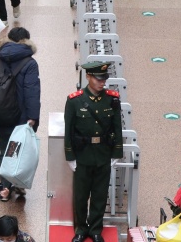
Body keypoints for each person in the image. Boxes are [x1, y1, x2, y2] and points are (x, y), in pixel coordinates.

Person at [64, 62, 123, 242]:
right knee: (81, 196)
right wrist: (70, 156)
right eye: (98, 78)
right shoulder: (75, 101)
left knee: (99, 194)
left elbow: (117, 128)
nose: (102, 82)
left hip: (103, 154)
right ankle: (81, 229)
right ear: (88, 76)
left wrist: (116, 153)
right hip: (83, 155)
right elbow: (69, 130)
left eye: (104, 78)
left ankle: (96, 229)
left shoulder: (112, 99)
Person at [0, 27, 40, 196]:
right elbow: (31, 91)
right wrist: (33, 116)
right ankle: (18, 184)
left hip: (2, 112)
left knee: (4, 147)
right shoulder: (30, 63)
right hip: (20, 116)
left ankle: (5, 187)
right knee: (19, 150)